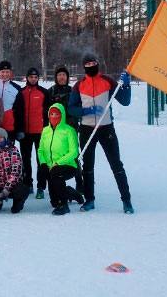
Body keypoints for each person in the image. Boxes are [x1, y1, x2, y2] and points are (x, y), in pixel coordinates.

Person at [67, 54, 133, 213]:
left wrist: (126, 85)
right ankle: (89, 200)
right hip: (87, 129)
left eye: (93, 63)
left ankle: (126, 201)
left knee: (116, 164)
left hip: (106, 128)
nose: (91, 65)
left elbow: (125, 101)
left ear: (97, 64)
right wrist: (86, 111)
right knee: (88, 167)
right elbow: (71, 108)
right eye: (88, 64)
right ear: (84, 67)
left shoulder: (108, 81)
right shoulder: (79, 85)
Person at [37, 104, 84, 215]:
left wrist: (58, 163)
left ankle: (64, 205)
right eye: (51, 114)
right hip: (50, 166)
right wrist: (43, 163)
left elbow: (74, 152)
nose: (54, 116)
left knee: (55, 173)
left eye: (57, 114)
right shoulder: (45, 131)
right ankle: (70, 193)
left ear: (62, 115)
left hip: (68, 165)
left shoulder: (69, 130)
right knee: (54, 202)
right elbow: (40, 150)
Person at [12, 67, 49, 198]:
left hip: (41, 133)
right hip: (25, 133)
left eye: (35, 77)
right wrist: (18, 129)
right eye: (31, 77)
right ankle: (28, 184)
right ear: (26, 78)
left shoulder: (44, 92)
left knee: (41, 161)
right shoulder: (21, 92)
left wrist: (48, 130)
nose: (33, 79)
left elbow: (49, 112)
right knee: (26, 160)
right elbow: (16, 112)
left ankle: (41, 187)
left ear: (38, 78)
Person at [47, 65, 83, 192]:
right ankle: (56, 183)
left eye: (64, 75)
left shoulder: (72, 91)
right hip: (55, 131)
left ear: (67, 77)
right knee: (55, 156)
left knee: (74, 155)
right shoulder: (51, 91)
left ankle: (80, 182)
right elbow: (47, 111)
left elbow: (77, 108)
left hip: (70, 129)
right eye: (59, 75)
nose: (61, 77)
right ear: (56, 77)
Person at [0, 60, 21, 138]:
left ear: (10, 73)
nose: (5, 74)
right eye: (3, 72)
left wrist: (19, 129)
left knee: (9, 148)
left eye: (7, 72)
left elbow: (19, 110)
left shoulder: (16, 88)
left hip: (9, 123)